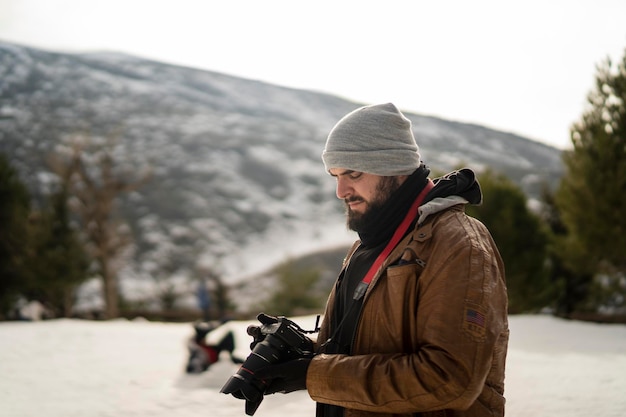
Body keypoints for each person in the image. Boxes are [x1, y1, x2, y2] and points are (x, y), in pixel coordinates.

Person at [253, 103, 509, 417]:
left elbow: (449, 377)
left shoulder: (459, 244)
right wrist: (300, 354)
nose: (341, 190)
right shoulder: (369, 245)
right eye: (335, 175)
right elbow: (365, 345)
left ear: (394, 167)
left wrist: (314, 373)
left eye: (353, 174)